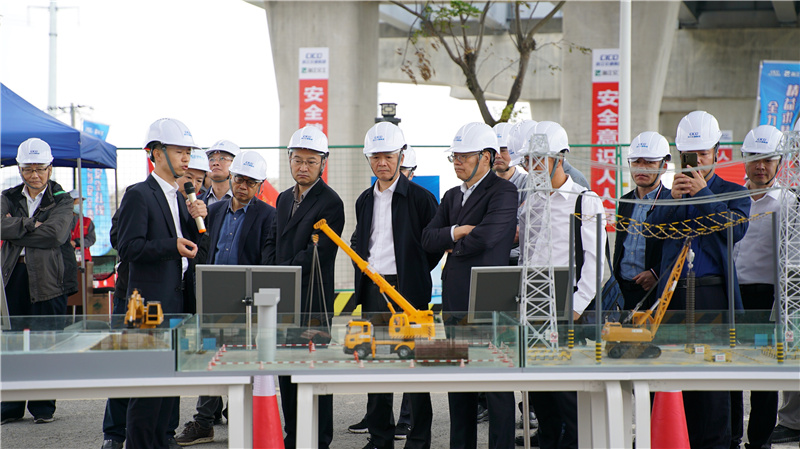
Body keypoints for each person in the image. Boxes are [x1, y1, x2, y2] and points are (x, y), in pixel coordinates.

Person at [647, 110, 750, 449]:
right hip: (673, 298)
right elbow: (651, 229)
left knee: (713, 385)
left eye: (703, 154)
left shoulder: (734, 192)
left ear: (716, 152)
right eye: (689, 156)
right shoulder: (669, 193)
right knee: (674, 379)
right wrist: (673, 200)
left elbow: (734, 230)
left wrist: (704, 194)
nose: (695, 162)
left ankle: (718, 443)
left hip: (712, 297)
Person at [421, 122, 517, 449]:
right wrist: (459, 232)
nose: (458, 162)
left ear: (487, 157)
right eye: (455, 156)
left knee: (496, 387)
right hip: (455, 299)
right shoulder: (450, 196)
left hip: (492, 300)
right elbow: (428, 239)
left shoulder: (504, 191)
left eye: (465, 156)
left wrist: (453, 240)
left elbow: (491, 236)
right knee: (460, 385)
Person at [116, 118, 207, 449]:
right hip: (146, 308)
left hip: (176, 303)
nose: (186, 159)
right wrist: (172, 246)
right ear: (155, 153)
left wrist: (200, 220)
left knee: (168, 388)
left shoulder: (181, 197)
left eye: (188, 152)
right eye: (179, 151)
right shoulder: (140, 194)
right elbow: (128, 248)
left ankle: (161, 442)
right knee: (146, 391)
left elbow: (199, 251)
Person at [516, 121, 607, 449]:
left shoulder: (585, 201)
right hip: (536, 307)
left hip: (570, 309)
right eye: (529, 161)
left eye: (540, 159)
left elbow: (596, 265)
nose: (533, 167)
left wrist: (577, 308)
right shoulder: (532, 201)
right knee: (543, 401)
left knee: (571, 401)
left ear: (561, 158)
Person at [176, 151, 276, 446]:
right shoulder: (215, 210)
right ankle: (204, 422)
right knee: (212, 360)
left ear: (260, 184)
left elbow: (266, 261)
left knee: (247, 361)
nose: (243, 185)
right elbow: (204, 250)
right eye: (239, 179)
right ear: (232, 178)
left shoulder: (269, 216)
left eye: (250, 181)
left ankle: (246, 417)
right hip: (212, 296)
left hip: (246, 301)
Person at [351, 122, 441, 449]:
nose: (382, 163)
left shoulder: (421, 198)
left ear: (401, 156)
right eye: (376, 157)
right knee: (377, 368)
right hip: (374, 290)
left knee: (414, 369)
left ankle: (418, 441)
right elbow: (363, 242)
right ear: (369, 160)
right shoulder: (364, 200)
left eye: (388, 156)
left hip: (409, 293)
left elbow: (431, 248)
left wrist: (413, 276)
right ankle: (380, 438)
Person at [263, 125, 344, 449]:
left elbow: (318, 253)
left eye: (311, 161)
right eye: (298, 160)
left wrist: (279, 272)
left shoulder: (331, 203)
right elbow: (271, 238)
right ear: (290, 160)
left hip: (314, 300)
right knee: (286, 371)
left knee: (315, 374)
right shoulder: (282, 199)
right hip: (283, 300)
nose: (303, 167)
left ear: (323, 163)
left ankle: (320, 439)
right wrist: (271, 270)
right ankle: (293, 436)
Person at [1, 138, 73, 425]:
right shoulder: (7, 196)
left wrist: (14, 228)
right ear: (19, 170)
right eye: (28, 169)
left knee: (47, 343)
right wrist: (32, 225)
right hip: (12, 276)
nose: (34, 175)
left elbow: (56, 235)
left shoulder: (62, 199)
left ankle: (43, 407)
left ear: (50, 169)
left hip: (50, 280)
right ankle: (10, 407)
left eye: (40, 169)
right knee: (12, 345)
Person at [729, 125, 787, 449]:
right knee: (730, 371)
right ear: (744, 160)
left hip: (768, 297)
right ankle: (732, 438)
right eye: (754, 158)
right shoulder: (732, 198)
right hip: (734, 295)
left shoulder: (787, 203)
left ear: (779, 162)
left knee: (765, 374)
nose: (761, 166)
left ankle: (760, 442)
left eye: (768, 159)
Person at [613, 132, 672, 310]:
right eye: (636, 162)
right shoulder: (625, 201)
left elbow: (681, 248)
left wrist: (656, 273)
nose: (642, 168)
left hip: (655, 291)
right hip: (623, 289)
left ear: (663, 167)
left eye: (649, 162)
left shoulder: (672, 201)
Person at [201, 139, 240, 206]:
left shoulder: (245, 202)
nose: (215, 163)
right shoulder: (197, 201)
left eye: (222, 159)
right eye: (211, 159)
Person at [69, 189, 96, 263]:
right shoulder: (62, 221)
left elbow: (91, 239)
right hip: (66, 257)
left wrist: (76, 242)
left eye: (81, 203)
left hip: (84, 259)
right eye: (78, 203)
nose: (80, 205)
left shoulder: (87, 221)